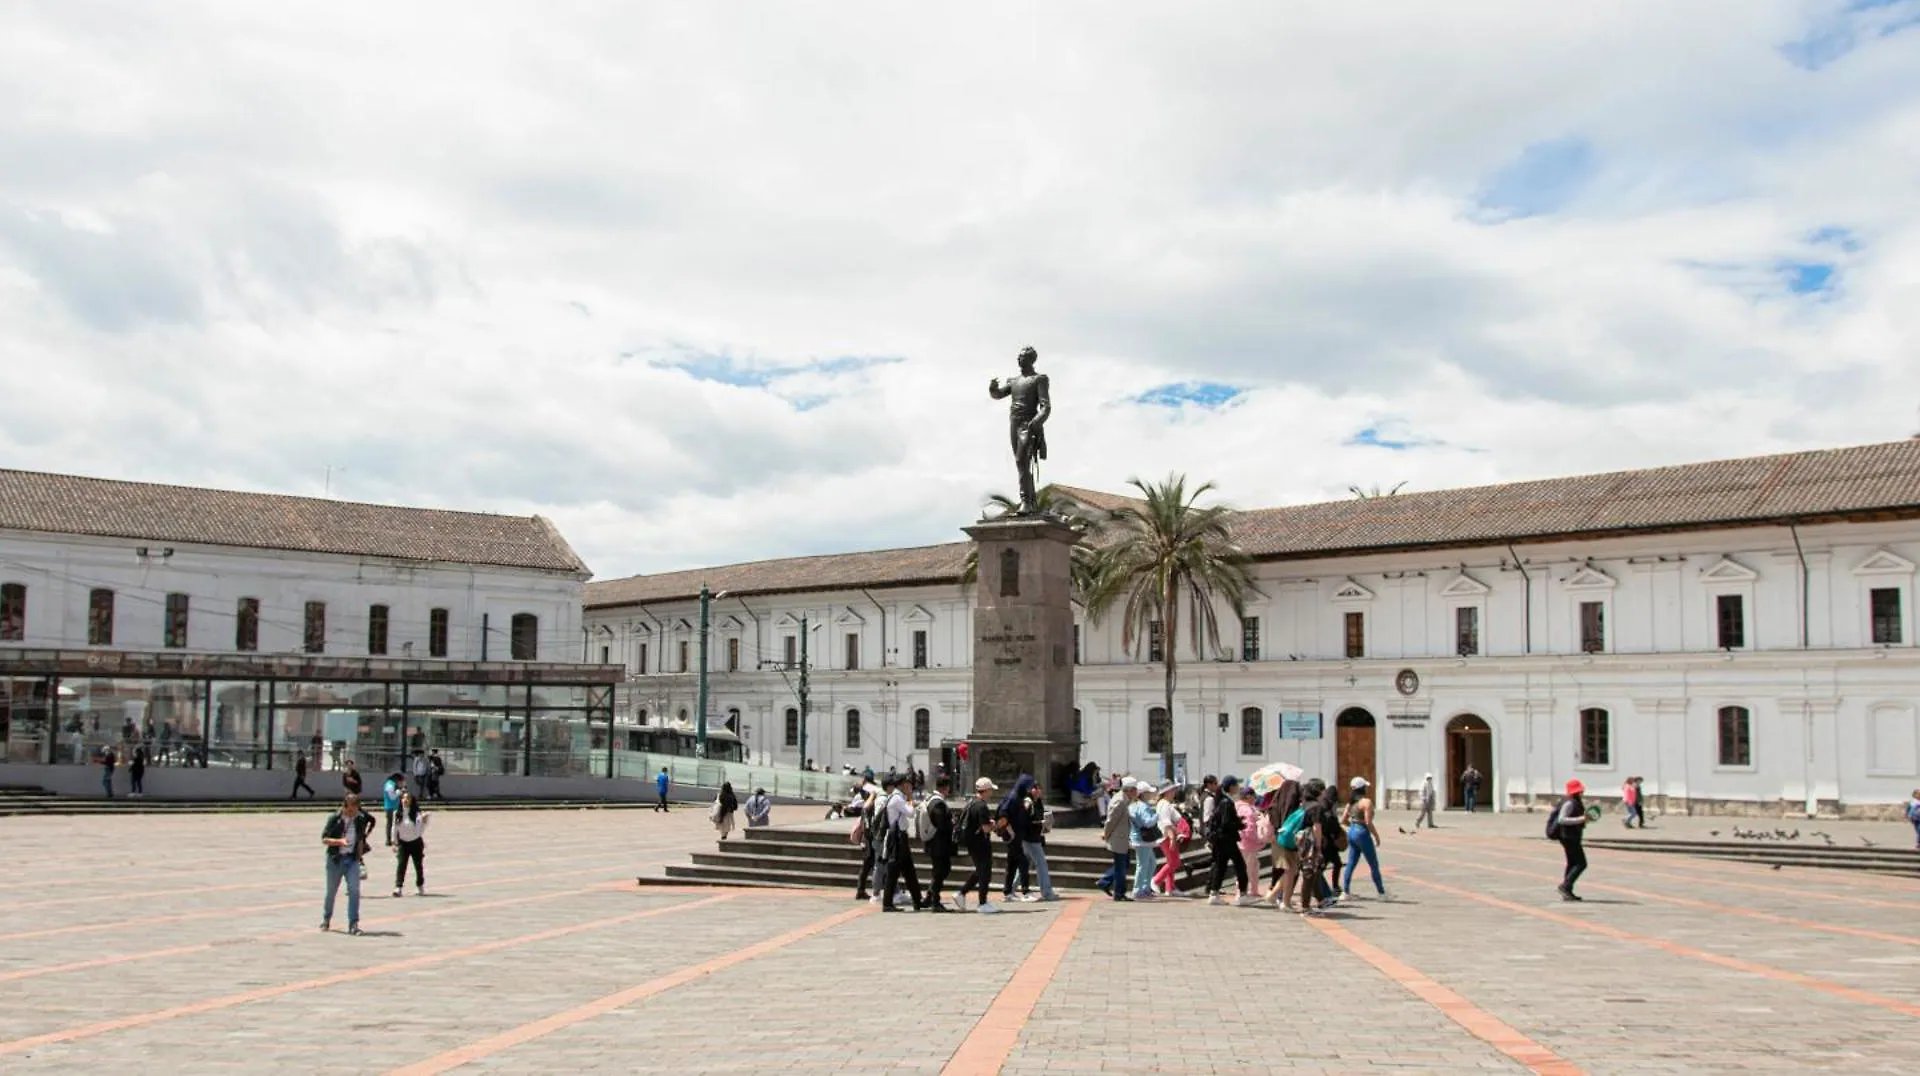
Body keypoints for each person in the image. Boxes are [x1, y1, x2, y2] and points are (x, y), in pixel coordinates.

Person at [320, 793, 368, 934]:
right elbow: (324, 839)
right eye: (353, 809)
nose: (355, 812)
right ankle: (326, 919)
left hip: (351, 860)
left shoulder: (360, 819)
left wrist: (360, 860)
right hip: (335, 859)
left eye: (357, 808)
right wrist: (339, 842)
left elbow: (360, 840)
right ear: (346, 806)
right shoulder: (335, 818)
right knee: (331, 892)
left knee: (354, 891)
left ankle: (353, 924)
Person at [1205, 776, 1253, 906]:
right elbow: (1226, 823)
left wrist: (1237, 821)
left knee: (1220, 866)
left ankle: (1214, 894)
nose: (1238, 787)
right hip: (1227, 840)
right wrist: (1239, 824)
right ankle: (1242, 895)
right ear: (1231, 786)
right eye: (1237, 784)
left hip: (1221, 840)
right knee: (1240, 866)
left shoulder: (1222, 800)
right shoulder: (1227, 802)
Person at [956, 777, 1000, 914]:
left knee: (980, 870)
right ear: (985, 790)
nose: (992, 792)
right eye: (990, 790)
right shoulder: (981, 806)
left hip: (972, 842)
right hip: (980, 843)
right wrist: (996, 825)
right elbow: (986, 828)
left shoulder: (971, 803)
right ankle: (982, 902)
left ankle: (962, 893)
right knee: (985, 871)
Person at [881, 775, 924, 912]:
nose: (909, 786)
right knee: (893, 871)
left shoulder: (896, 797)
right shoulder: (898, 798)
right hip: (898, 838)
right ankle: (887, 903)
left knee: (909, 871)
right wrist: (910, 797)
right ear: (901, 785)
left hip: (901, 837)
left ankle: (917, 900)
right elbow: (910, 813)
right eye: (907, 784)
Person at [1341, 777, 1386, 900]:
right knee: (1373, 863)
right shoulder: (1366, 802)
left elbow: (1343, 820)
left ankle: (1345, 891)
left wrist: (1353, 827)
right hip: (1362, 832)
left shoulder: (1350, 803)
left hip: (1352, 831)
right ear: (1363, 788)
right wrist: (1376, 836)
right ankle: (1381, 892)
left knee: (1351, 862)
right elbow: (1368, 822)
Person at [921, 776, 956, 911]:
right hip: (938, 844)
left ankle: (930, 897)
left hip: (935, 843)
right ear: (945, 788)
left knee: (940, 871)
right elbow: (942, 824)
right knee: (941, 871)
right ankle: (935, 901)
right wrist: (952, 823)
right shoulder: (938, 803)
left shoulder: (931, 800)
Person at [999, 775, 1035, 902]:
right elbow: (1003, 814)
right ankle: (1025, 891)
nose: (1030, 790)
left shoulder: (1018, 797)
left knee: (1012, 863)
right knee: (1023, 862)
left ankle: (1008, 891)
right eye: (1029, 786)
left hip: (1016, 835)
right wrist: (1010, 831)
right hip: (1012, 836)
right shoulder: (1013, 798)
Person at [1021, 780, 1058, 901]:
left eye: (1039, 788)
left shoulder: (1038, 802)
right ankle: (1047, 892)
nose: (1038, 791)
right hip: (1029, 838)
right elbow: (1025, 822)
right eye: (1035, 788)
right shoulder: (1028, 802)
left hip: (1036, 836)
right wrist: (1039, 823)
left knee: (1024, 864)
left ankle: (1009, 889)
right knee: (1041, 864)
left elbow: (1039, 817)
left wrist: (1045, 825)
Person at [1553, 779, 1590, 901]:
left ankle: (1567, 890)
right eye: (1580, 790)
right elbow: (1561, 819)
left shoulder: (1574, 802)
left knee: (1572, 863)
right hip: (1568, 837)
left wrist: (1584, 820)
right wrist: (1581, 819)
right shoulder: (1569, 803)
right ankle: (1565, 886)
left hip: (1572, 836)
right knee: (1581, 863)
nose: (1582, 792)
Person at [1101, 779, 1136, 902]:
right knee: (1120, 867)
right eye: (1134, 790)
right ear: (1129, 790)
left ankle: (1104, 882)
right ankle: (1119, 893)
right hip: (1118, 838)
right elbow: (1111, 820)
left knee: (1123, 864)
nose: (1136, 793)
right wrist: (1106, 834)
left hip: (1122, 838)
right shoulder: (1120, 801)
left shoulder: (1124, 799)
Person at [1152, 784, 1189, 896]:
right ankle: (1156, 880)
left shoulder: (1166, 804)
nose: (1175, 791)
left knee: (1171, 861)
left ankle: (1170, 888)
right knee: (1174, 862)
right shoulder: (1164, 804)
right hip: (1167, 836)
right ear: (1167, 791)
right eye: (1173, 790)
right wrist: (1172, 837)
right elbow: (1166, 822)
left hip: (1169, 835)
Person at [391, 788, 429, 897]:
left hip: (416, 842)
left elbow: (420, 831)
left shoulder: (417, 814)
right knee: (401, 865)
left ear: (412, 801)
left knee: (418, 865)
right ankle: (398, 887)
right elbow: (394, 828)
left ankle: (420, 886)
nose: (405, 800)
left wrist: (424, 821)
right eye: (404, 798)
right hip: (403, 843)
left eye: (408, 798)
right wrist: (394, 842)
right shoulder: (397, 813)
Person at [1235, 786, 1269, 901]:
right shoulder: (1247, 810)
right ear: (1248, 796)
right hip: (1248, 844)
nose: (1255, 799)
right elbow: (1248, 829)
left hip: (1242, 843)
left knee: (1252, 867)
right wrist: (1259, 839)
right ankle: (1242, 893)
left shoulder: (1238, 807)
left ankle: (1252, 891)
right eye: (1254, 796)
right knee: (1248, 869)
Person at [1130, 781, 1162, 900]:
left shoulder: (1135, 805)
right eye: (1148, 792)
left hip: (1140, 839)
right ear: (1143, 794)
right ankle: (1138, 890)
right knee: (1143, 865)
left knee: (1150, 863)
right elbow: (1147, 823)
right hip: (1143, 840)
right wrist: (1157, 815)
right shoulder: (1143, 806)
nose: (1150, 795)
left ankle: (1145, 888)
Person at [381, 772, 404, 847]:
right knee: (392, 824)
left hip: (393, 806)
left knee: (393, 824)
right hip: (391, 807)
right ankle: (390, 839)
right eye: (400, 781)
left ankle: (392, 839)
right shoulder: (390, 785)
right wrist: (398, 793)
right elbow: (392, 797)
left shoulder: (391, 784)